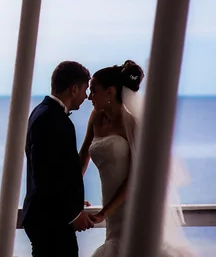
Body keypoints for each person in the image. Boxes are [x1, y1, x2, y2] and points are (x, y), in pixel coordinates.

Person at [79, 60, 194, 257]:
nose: (90, 96)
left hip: (132, 206)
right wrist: (74, 196)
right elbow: (82, 158)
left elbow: (136, 177)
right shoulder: (96, 116)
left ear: (110, 91)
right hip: (111, 207)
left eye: (94, 90)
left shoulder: (132, 122)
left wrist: (104, 212)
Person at [21, 61, 96, 257]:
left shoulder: (41, 112)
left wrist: (75, 199)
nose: (86, 96)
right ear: (74, 89)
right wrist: (73, 214)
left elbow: (59, 170)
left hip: (46, 217)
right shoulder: (52, 118)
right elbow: (45, 176)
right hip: (50, 221)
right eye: (84, 89)